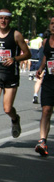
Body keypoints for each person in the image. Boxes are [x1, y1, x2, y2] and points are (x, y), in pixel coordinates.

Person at [0, 9, 30, 149]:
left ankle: (15, 119)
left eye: (6, 19)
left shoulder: (16, 35)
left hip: (10, 75)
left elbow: (27, 53)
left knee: (7, 108)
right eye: (0, 18)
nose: (3, 21)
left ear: (10, 20)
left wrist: (14, 59)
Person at [35, 22, 54, 156]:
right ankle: (42, 141)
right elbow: (46, 57)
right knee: (46, 110)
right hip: (49, 80)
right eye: (52, 23)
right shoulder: (46, 41)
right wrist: (41, 68)